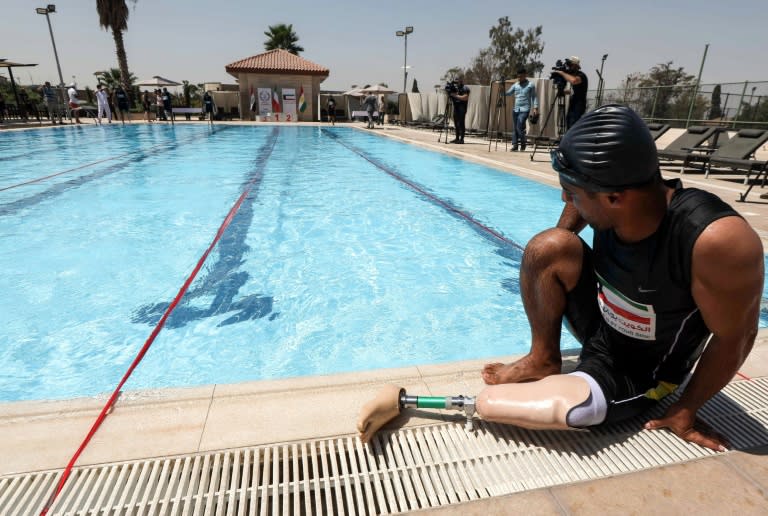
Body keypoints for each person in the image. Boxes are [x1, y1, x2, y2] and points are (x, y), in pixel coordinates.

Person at [477, 104, 763, 451]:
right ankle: (543, 357)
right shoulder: (615, 193)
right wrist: (555, 251)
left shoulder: (715, 241)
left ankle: (634, 393)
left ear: (614, 197)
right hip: (604, 326)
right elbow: (565, 231)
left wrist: (686, 408)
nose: (565, 197)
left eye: (572, 191)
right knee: (546, 247)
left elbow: (737, 335)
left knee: (491, 406)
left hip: (643, 370)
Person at [504, 68, 538, 151]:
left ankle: (523, 142)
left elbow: (534, 97)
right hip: (516, 109)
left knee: (519, 126)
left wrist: (535, 108)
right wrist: (501, 90)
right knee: (515, 128)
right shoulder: (515, 85)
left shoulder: (531, 85)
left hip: (525, 109)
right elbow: (508, 93)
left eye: (521, 76)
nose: (519, 78)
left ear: (525, 75)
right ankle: (515, 145)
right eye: (518, 77)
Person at [551, 56, 588, 130]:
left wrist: (562, 73)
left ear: (575, 66)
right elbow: (573, 90)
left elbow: (574, 81)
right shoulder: (573, 75)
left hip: (579, 104)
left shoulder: (581, 75)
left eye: (571, 65)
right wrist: (562, 91)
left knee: (573, 124)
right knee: (569, 122)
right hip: (574, 102)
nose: (569, 67)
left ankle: (573, 140)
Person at [448, 79, 470, 144]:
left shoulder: (465, 88)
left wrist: (455, 95)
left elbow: (465, 97)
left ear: (461, 81)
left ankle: (462, 139)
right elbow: (451, 95)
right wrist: (450, 94)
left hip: (462, 108)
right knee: (456, 123)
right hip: (456, 107)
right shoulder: (455, 88)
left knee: (461, 123)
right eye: (456, 82)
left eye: (458, 81)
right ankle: (457, 138)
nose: (457, 83)